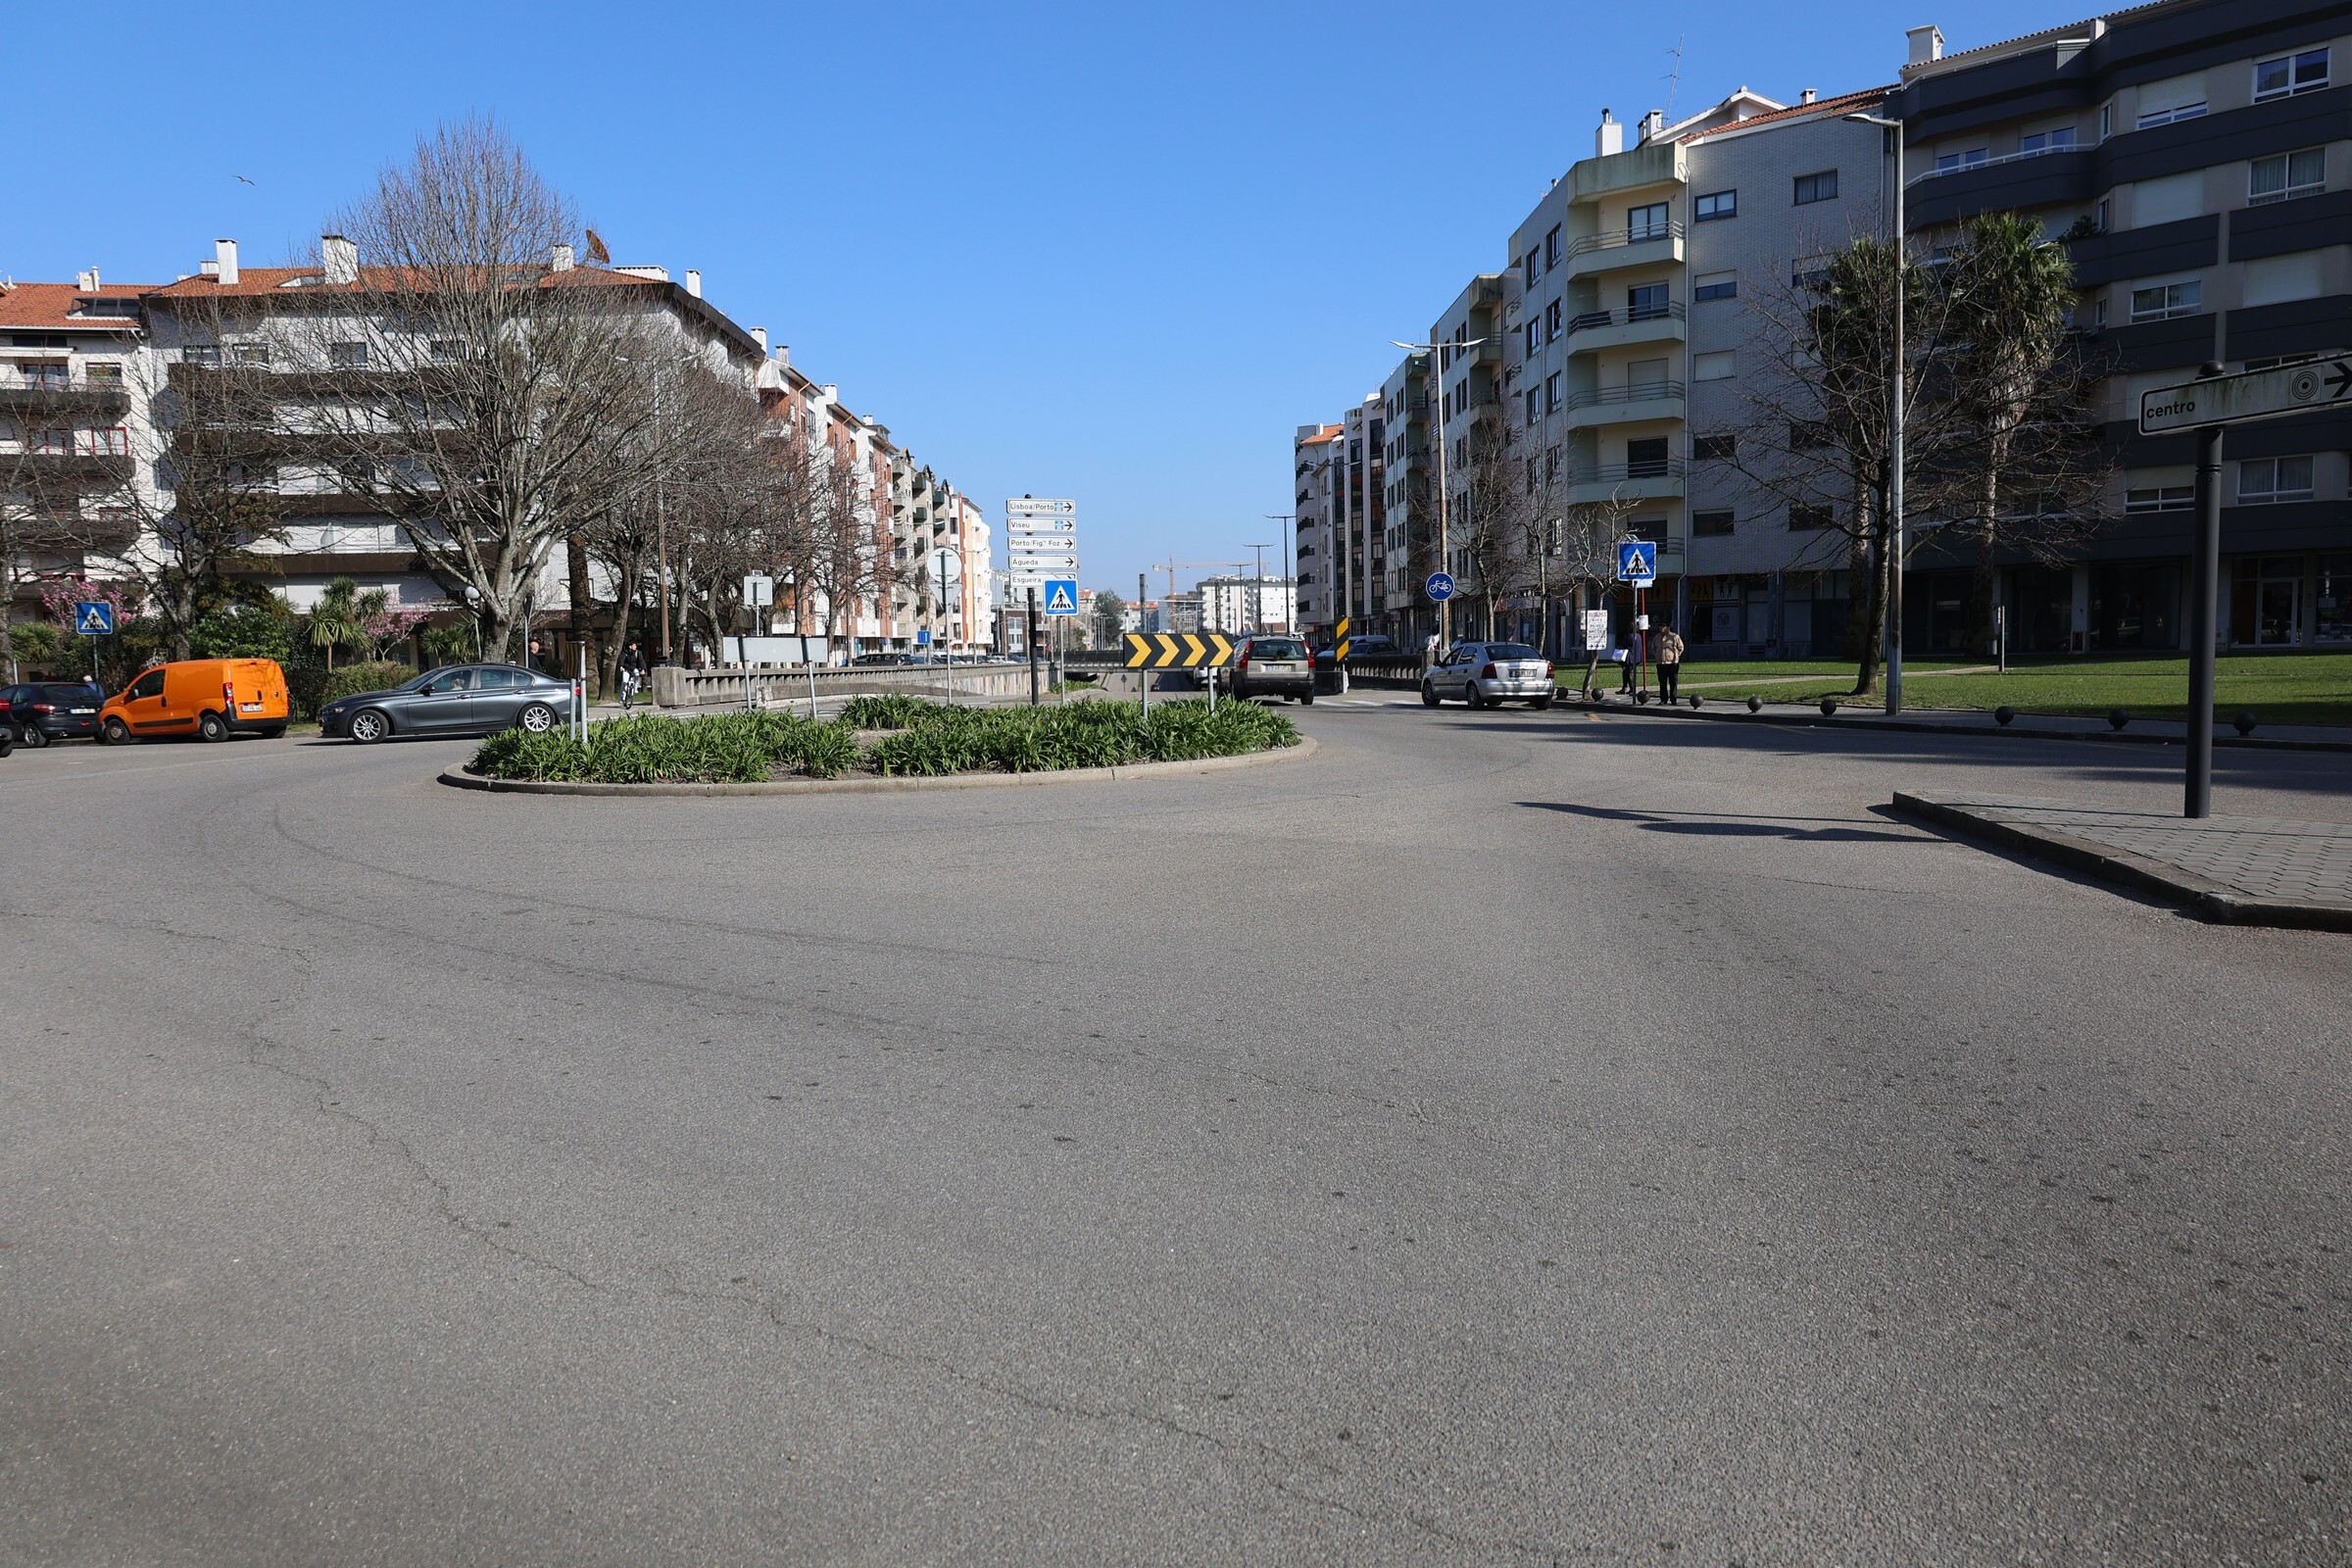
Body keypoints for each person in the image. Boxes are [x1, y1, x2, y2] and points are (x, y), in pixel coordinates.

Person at [1654, 618, 1687, 703]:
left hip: (1672, 663)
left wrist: (1676, 656)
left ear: (1668, 627)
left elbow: (1681, 647)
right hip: (1661, 664)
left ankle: (1673, 699)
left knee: (1673, 682)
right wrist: (1658, 656)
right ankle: (1663, 699)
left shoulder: (1674, 636)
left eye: (1664, 626)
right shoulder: (1656, 637)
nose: (1661, 628)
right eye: (1660, 626)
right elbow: (1653, 648)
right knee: (1662, 683)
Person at [618, 640, 647, 710]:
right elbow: (622, 660)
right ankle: (622, 699)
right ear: (630, 646)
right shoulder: (625, 652)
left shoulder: (638, 653)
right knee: (624, 682)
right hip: (626, 669)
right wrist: (621, 666)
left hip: (634, 668)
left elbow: (641, 661)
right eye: (634, 645)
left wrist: (643, 669)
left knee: (637, 674)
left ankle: (635, 687)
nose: (635, 647)